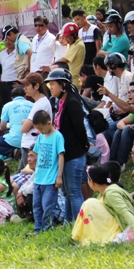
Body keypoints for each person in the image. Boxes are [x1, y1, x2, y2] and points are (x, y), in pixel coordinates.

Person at [46, 68, 88, 223]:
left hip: (74, 153)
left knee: (74, 192)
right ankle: (69, 223)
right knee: (66, 192)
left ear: (63, 84)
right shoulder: (60, 102)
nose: (51, 88)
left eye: (53, 84)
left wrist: (84, 145)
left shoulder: (72, 102)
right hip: (65, 153)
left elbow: (79, 128)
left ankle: (79, 225)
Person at [72, 162, 134, 245]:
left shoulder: (111, 193)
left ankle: (94, 239)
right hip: (117, 224)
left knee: (89, 203)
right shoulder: (106, 191)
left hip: (120, 228)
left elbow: (125, 211)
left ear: (92, 182)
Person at [98, 81, 134, 166]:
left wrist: (109, 94)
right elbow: (120, 123)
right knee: (120, 130)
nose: (129, 95)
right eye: (128, 92)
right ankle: (111, 163)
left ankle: (120, 163)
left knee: (127, 130)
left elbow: (127, 108)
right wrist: (126, 126)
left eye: (132, 92)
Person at [29, 111, 64, 234]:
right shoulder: (40, 137)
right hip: (39, 178)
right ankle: (38, 229)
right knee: (36, 206)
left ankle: (47, 228)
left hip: (50, 179)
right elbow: (37, 155)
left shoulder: (58, 137)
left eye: (41, 128)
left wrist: (59, 176)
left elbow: (61, 156)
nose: (40, 131)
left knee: (47, 206)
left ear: (49, 123)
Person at [0, 86, 33, 159]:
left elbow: (2, 127)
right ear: (25, 96)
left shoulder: (7, 106)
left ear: (12, 98)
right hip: (32, 139)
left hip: (15, 140)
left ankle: (14, 152)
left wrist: (10, 125)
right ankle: (20, 152)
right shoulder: (32, 104)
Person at [56, 22, 85, 89]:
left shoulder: (77, 45)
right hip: (69, 79)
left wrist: (52, 66)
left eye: (67, 37)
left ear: (74, 35)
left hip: (74, 81)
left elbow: (64, 60)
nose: (66, 40)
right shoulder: (72, 44)